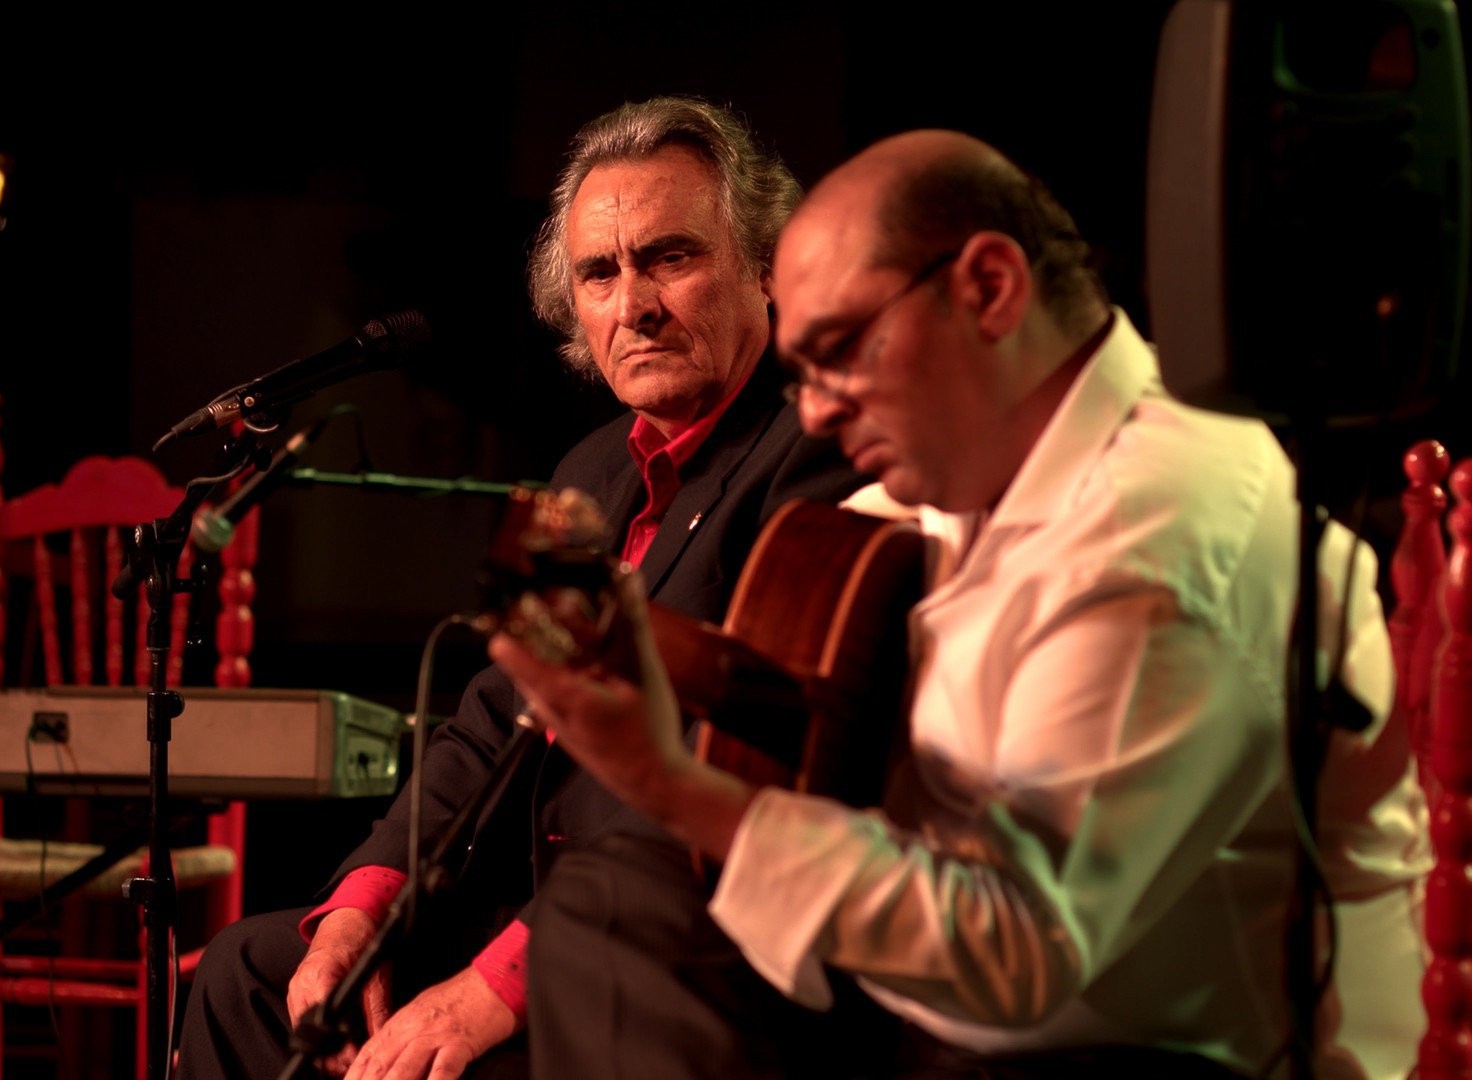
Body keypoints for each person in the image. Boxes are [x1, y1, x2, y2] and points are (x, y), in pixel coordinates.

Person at [492, 129, 1430, 1078]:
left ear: (988, 289)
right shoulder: (966, 467)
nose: (812, 411)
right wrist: (638, 647)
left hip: (1136, 1052)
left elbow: (1018, 958)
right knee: (617, 904)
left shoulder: (1162, 536)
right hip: (938, 999)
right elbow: (812, 651)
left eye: (841, 352)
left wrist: (668, 782)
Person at [176, 95, 869, 1079]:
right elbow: (488, 723)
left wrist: (496, 986)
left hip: (675, 944)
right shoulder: (588, 469)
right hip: (530, 907)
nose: (633, 305)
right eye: (600, 272)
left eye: (670, 257)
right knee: (252, 974)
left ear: (767, 268)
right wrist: (362, 906)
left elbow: (744, 776)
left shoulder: (816, 458)